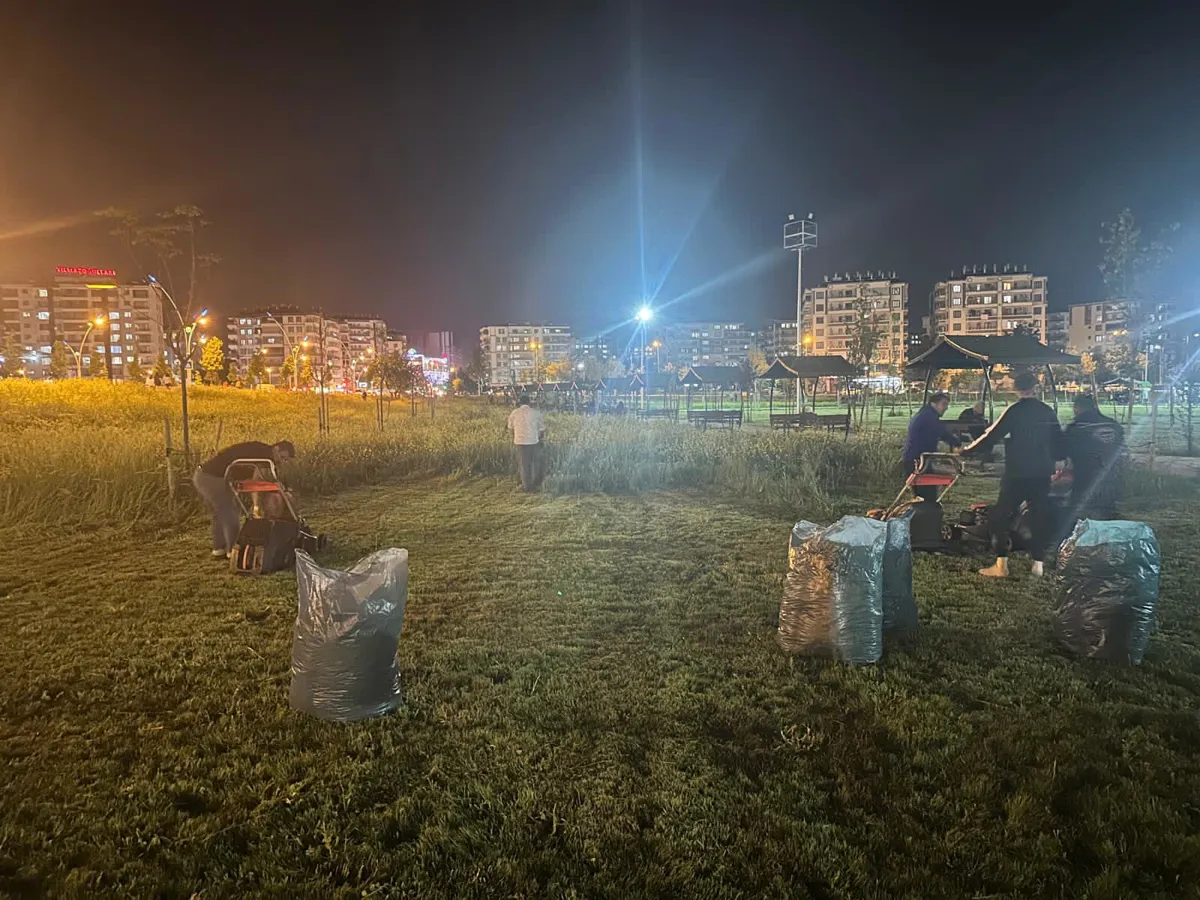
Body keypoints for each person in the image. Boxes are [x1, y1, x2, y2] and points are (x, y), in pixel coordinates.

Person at [961, 372, 1063, 578]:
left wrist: (967, 451)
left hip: (1017, 472)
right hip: (1042, 473)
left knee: (1000, 515)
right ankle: (1038, 564)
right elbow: (1059, 443)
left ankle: (1001, 564)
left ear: (1017, 389)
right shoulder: (1048, 411)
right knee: (1038, 515)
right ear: (1036, 388)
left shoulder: (1015, 411)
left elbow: (992, 436)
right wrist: (1056, 461)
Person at [193, 440, 295, 559]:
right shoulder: (262, 454)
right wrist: (257, 505)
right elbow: (256, 481)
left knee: (220, 513)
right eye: (282, 457)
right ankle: (233, 552)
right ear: (276, 449)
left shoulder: (264, 455)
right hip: (210, 477)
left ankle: (219, 549)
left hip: (216, 477)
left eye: (285, 460)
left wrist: (256, 504)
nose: (282, 461)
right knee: (229, 514)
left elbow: (255, 481)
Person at [1063, 393, 1124, 520]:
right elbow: (1120, 449)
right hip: (1111, 476)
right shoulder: (1114, 425)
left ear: (1076, 408)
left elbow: (1062, 452)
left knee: (1076, 514)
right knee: (1108, 512)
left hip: (1084, 478)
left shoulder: (1076, 428)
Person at [902, 392, 962, 500]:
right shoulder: (929, 417)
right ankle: (927, 513)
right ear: (933, 404)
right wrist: (957, 444)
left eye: (947, 405)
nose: (946, 408)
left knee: (921, 494)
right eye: (943, 404)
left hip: (916, 458)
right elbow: (943, 433)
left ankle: (922, 512)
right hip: (919, 459)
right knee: (928, 494)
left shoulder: (924, 414)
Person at [507, 394, 546, 492]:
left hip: (520, 442)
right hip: (533, 441)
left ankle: (527, 486)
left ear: (519, 403)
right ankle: (536, 484)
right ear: (529, 402)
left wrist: (515, 437)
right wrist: (540, 439)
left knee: (524, 465)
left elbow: (510, 429)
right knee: (535, 463)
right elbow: (542, 430)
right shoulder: (536, 413)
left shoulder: (514, 413)